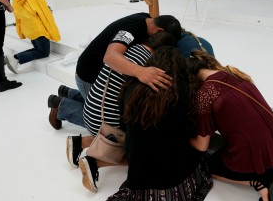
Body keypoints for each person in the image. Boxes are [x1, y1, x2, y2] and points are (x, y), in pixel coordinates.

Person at [97, 46, 212, 201]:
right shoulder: (183, 93)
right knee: (201, 156)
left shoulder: (132, 88)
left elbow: (124, 125)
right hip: (170, 178)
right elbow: (189, 136)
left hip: (138, 176)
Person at [61, 32, 177, 192]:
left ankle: (80, 143)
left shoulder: (130, 48)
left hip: (89, 107)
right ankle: (94, 161)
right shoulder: (148, 63)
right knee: (139, 150)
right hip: (102, 120)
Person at [186, 50, 273, 201]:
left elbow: (201, 146)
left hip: (254, 150)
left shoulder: (205, 93)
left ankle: (258, 181)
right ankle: (269, 175)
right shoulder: (235, 74)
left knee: (207, 166)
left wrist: (183, 138)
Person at [51, 12, 181, 127]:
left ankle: (68, 93)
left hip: (98, 74)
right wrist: (141, 72)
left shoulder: (146, 19)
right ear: (159, 32)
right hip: (88, 76)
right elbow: (110, 57)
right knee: (105, 124)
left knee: (98, 101)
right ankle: (61, 106)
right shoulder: (131, 29)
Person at [5, 0, 60, 73]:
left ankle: (13, 58)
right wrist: (53, 31)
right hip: (39, 29)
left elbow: (19, 14)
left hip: (29, 28)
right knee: (44, 52)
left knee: (38, 49)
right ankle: (16, 58)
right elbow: (44, 15)